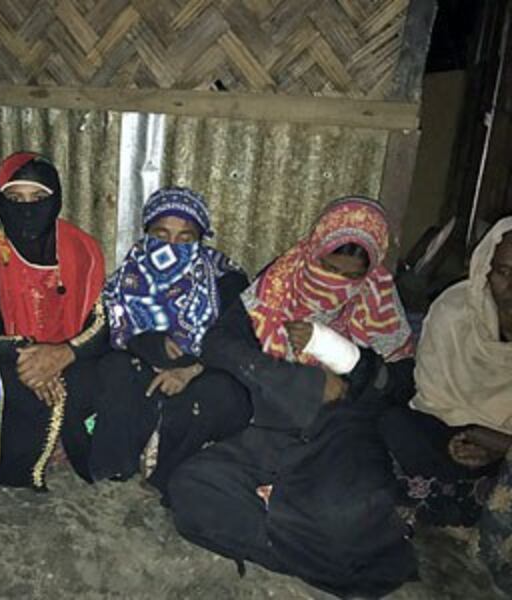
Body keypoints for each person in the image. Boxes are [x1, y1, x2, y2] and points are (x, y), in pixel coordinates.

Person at [167, 197, 418, 597]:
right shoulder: (280, 282)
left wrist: (354, 365)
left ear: (369, 272)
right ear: (313, 251)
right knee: (190, 486)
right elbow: (219, 343)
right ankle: (314, 554)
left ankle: (293, 538)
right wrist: (298, 381)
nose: (334, 282)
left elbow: (402, 384)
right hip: (272, 425)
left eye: (349, 276)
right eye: (327, 268)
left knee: (347, 513)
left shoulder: (379, 299)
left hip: (340, 432)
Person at [0, 151, 107, 490]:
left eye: (38, 198)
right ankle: (20, 455)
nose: (27, 208)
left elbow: (101, 325)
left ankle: (65, 442)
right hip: (2, 364)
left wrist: (64, 353)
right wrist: (31, 355)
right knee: (2, 385)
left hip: (69, 358)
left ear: (57, 201)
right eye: (14, 198)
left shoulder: (81, 250)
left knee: (100, 374)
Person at [379, 217, 512, 594]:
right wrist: (467, 439)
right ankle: (464, 501)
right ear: (485, 270)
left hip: (505, 452)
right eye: (501, 272)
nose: (511, 287)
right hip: (450, 430)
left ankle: (454, 502)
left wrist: (499, 445)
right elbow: (432, 395)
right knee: (393, 423)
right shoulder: (455, 310)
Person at [88, 187, 252, 492]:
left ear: (200, 239)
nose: (171, 246)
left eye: (185, 238)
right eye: (161, 235)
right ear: (147, 233)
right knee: (115, 368)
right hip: (144, 369)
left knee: (221, 394)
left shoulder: (226, 279)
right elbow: (108, 331)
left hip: (202, 371)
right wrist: (145, 342)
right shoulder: (129, 274)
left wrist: (190, 369)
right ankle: (121, 461)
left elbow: (238, 342)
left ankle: (167, 471)